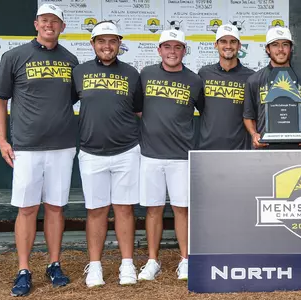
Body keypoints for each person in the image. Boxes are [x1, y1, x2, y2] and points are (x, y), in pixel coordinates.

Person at [0, 3, 78, 297]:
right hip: (26, 147)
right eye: (44, 20)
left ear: (62, 27)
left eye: (55, 21)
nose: (49, 25)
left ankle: (54, 264)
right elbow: (0, 100)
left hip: (63, 146)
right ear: (35, 23)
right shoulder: (14, 56)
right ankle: (24, 269)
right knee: (27, 209)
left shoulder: (71, 59)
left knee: (56, 207)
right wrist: (3, 141)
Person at [73, 21, 143, 287]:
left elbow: (140, 111)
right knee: (96, 210)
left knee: (125, 209)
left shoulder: (131, 73)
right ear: (93, 44)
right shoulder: (79, 72)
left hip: (127, 150)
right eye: (101, 41)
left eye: (112, 41)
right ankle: (95, 266)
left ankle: (127, 264)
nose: (107, 46)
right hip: (91, 152)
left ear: (119, 44)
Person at [137, 29, 204, 281]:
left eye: (177, 47)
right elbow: (137, 109)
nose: (172, 52)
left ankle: (185, 259)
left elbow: (204, 111)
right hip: (150, 154)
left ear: (184, 51)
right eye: (167, 47)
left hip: (181, 155)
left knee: (181, 209)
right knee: (153, 210)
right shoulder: (145, 75)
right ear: (159, 50)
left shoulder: (194, 80)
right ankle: (152, 260)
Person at [243, 27, 301, 149]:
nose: (280, 49)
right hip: (265, 147)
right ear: (267, 49)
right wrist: (254, 134)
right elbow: (249, 116)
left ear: (291, 48)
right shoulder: (254, 80)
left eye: (285, 44)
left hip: (296, 148)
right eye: (275, 45)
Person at [198, 24, 255, 150]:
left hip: (240, 149)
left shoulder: (251, 77)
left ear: (239, 46)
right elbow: (201, 107)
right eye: (223, 41)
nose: (228, 46)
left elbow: (253, 114)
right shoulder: (204, 73)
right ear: (216, 45)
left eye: (233, 42)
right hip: (207, 147)